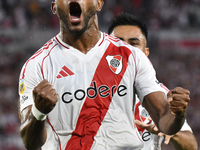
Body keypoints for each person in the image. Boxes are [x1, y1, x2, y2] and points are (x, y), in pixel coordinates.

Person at [18, 1, 191, 150]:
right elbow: (30, 143)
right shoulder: (37, 65)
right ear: (54, 8)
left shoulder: (131, 56)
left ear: (99, 3)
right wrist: (39, 112)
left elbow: (164, 120)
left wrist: (177, 114)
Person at [108, 12, 198, 150]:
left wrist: (170, 130)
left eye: (133, 44)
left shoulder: (162, 95)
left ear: (145, 53)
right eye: (118, 43)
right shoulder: (86, 89)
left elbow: (191, 146)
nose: (126, 50)